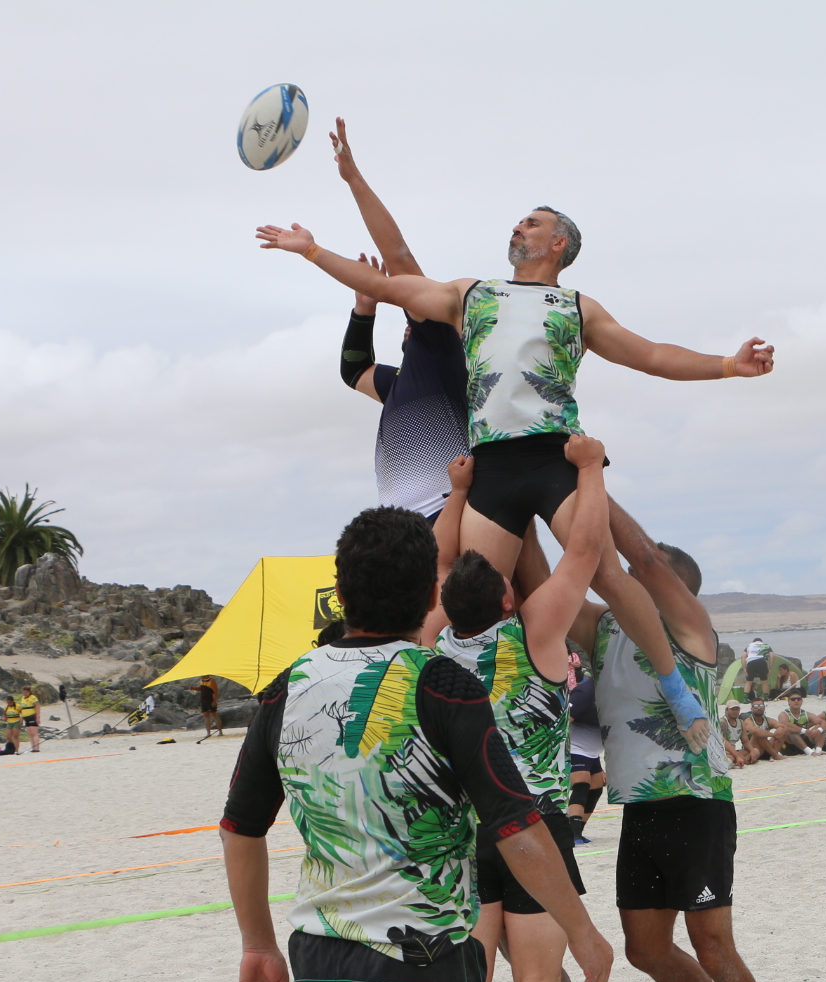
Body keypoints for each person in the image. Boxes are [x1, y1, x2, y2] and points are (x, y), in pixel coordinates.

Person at [218, 505, 613, 982]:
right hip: (419, 961)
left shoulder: (287, 687)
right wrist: (583, 929)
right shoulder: (441, 683)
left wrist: (258, 944)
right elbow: (517, 830)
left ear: (340, 591)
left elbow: (239, 827)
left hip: (321, 961)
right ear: (428, 593)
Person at [260, 193, 774, 758]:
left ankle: (674, 687)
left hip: (558, 457)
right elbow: (387, 284)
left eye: (532, 222)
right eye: (520, 220)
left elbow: (650, 355)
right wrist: (312, 251)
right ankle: (411, 699)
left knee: (606, 574)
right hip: (493, 464)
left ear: (559, 243)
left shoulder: (579, 308)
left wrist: (729, 365)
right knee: (462, 594)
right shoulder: (471, 295)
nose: (518, 226)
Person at [425, 438, 607, 982]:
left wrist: (458, 493)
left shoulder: (434, 647)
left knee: (472, 974)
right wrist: (588, 469)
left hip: (464, 830)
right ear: (507, 597)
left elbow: (443, 562)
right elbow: (583, 552)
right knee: (536, 974)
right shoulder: (536, 633)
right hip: (535, 825)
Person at [563, 507, 776, 982]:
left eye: (636, 576)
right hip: (640, 809)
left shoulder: (691, 630)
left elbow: (647, 560)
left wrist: (594, 485)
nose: (625, 580)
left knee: (712, 944)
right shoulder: (606, 630)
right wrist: (540, 501)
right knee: (646, 950)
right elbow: (552, 580)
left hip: (697, 803)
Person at [330, 121, 470, 521]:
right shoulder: (402, 382)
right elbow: (354, 370)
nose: (410, 323)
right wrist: (365, 308)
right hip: (402, 526)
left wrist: (354, 179)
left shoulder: (442, 351)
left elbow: (400, 258)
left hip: (446, 512)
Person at [567, 676, 606, 844]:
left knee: (596, 788)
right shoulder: (586, 692)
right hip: (575, 746)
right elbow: (564, 721)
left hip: (593, 751)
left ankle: (577, 830)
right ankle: (573, 833)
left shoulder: (615, 689)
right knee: (581, 784)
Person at [778, 691, 826, 756]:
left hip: (805, 742)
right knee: (791, 730)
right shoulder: (784, 714)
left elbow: (824, 722)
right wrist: (804, 731)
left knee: (820, 727)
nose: (796, 701)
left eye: (798, 699)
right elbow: (785, 724)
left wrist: (819, 730)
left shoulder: (806, 714)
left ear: (802, 701)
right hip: (789, 747)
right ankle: (810, 752)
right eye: (793, 699)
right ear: (789, 701)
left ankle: (818, 750)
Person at [16, 686, 43, 752]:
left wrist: (37, 717)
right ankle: (33, 748)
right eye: (24, 692)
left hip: (32, 716)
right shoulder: (23, 698)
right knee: (30, 733)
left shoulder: (33, 697)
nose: (25, 693)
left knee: (34, 733)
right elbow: (22, 709)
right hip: (26, 718)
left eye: (26, 692)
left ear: (29, 692)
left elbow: (37, 706)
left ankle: (36, 748)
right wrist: (22, 719)